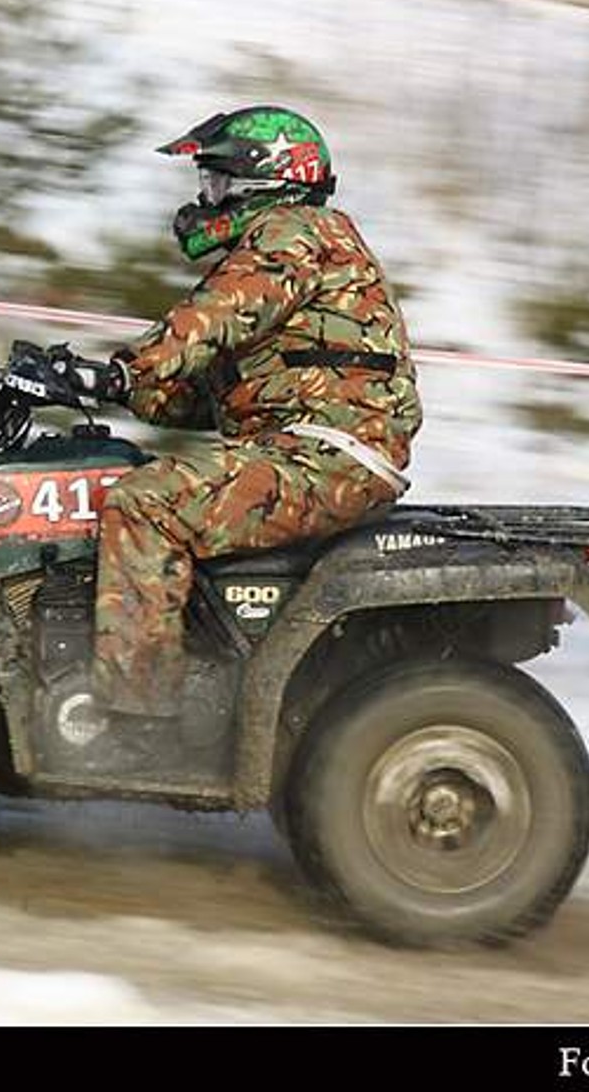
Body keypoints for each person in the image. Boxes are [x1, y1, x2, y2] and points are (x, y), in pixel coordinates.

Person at [67, 106, 423, 760]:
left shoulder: (294, 235)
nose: (205, 200)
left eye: (216, 183)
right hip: (306, 447)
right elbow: (206, 388)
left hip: (325, 457)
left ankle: (136, 722)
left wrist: (121, 373)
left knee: (146, 501)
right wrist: (86, 382)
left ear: (262, 182)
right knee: (129, 474)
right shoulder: (307, 241)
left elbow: (213, 319)